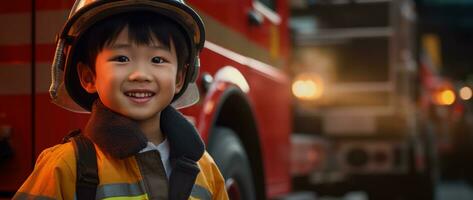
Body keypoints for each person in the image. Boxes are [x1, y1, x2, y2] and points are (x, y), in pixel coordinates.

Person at [13, 0, 229, 199]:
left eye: (157, 59)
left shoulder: (206, 170)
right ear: (88, 77)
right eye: (122, 58)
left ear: (180, 78)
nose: (140, 74)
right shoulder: (66, 167)